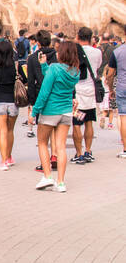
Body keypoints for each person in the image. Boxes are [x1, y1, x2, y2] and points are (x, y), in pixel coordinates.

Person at [33, 39, 80, 191]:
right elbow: (54, 76)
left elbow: (45, 91)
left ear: (62, 53)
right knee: (61, 147)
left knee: (42, 143)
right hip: (66, 112)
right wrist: (44, 65)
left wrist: (35, 111)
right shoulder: (75, 72)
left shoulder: (55, 68)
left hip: (50, 111)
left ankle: (47, 176)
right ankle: (60, 182)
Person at [71, 25, 102, 165]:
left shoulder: (75, 51)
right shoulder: (97, 52)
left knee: (77, 123)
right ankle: (88, 151)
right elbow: (97, 67)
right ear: (91, 38)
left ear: (78, 36)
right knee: (89, 121)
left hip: (78, 92)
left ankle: (79, 153)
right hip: (91, 92)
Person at [27, 29, 56, 172]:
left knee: (43, 133)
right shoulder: (57, 56)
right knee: (55, 130)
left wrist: (32, 103)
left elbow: (31, 82)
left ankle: (45, 163)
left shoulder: (33, 58)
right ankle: (55, 156)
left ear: (37, 43)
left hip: (40, 96)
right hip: (56, 95)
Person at [0, 35, 18, 169]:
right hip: (13, 101)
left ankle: (3, 162)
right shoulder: (14, 65)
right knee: (10, 130)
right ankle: (9, 157)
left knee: (2, 131)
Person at [104, 36, 126, 157]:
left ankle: (125, 149)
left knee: (123, 117)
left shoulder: (117, 52)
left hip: (122, 86)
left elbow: (111, 74)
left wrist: (111, 89)